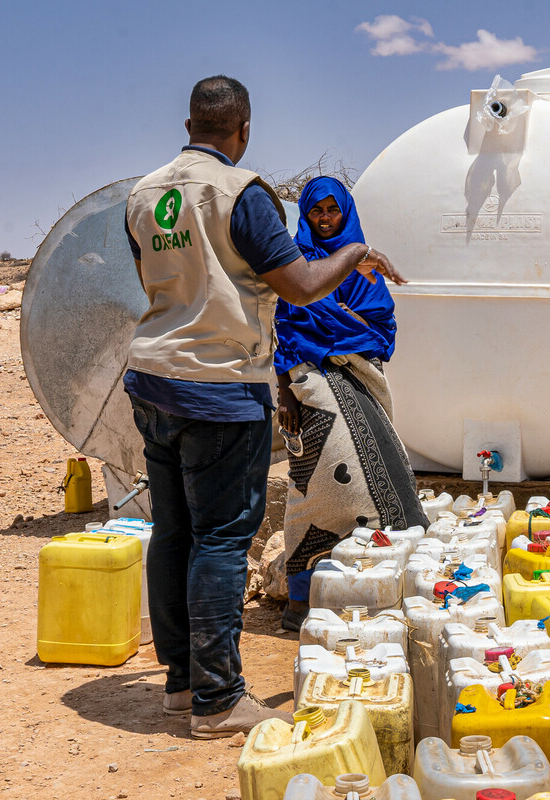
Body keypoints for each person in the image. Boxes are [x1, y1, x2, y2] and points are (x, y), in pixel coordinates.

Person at [123, 75, 403, 739]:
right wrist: (355, 252)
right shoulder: (239, 194)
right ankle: (218, 701)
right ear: (242, 129)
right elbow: (303, 288)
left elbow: (158, 280)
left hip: (152, 378)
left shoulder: (141, 195)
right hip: (217, 386)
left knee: (174, 530)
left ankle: (183, 682)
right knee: (221, 537)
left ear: (190, 123)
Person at [274, 177, 428, 630]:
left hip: (360, 379)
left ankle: (371, 593)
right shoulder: (294, 264)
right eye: (316, 210)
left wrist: (341, 327)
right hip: (308, 386)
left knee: (378, 479)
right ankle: (301, 599)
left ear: (346, 212)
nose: (324, 218)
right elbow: (281, 329)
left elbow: (380, 329)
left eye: (332, 210)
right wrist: (284, 391)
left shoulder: (363, 269)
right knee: (311, 488)